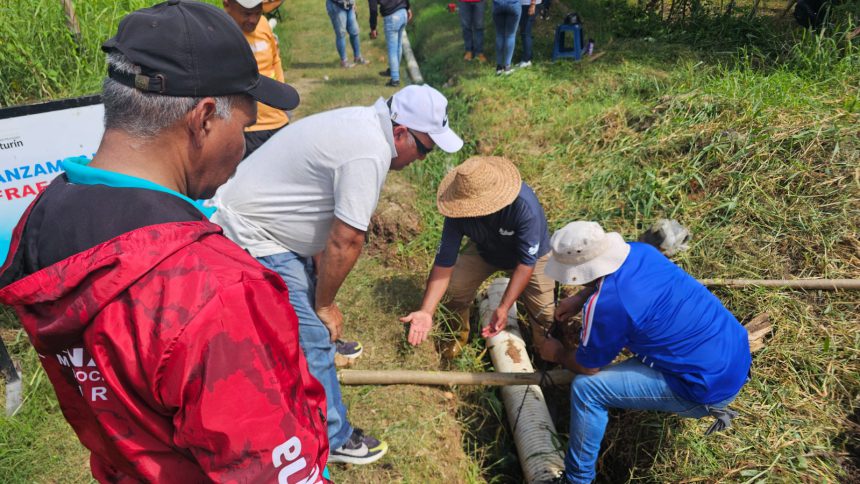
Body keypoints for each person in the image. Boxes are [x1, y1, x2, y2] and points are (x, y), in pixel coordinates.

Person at [0, 2, 329, 482]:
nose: (243, 147)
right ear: (204, 118)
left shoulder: (41, 220)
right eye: (246, 125)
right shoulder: (216, 290)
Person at [208, 84, 463, 464]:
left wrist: (319, 292)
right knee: (309, 333)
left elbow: (320, 211)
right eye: (425, 149)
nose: (423, 159)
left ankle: (320, 350)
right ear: (400, 133)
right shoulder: (367, 152)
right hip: (254, 233)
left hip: (270, 223)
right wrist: (324, 306)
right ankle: (334, 435)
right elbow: (346, 240)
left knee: (310, 315)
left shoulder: (363, 126)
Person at [536, 221, 752, 483]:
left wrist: (557, 353)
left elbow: (588, 366)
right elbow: (610, 280)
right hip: (735, 353)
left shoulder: (608, 307)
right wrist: (579, 298)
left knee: (586, 389)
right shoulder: (641, 252)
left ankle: (576, 479)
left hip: (706, 389)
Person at [401, 156, 555, 359]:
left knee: (545, 313)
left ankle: (545, 352)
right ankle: (455, 340)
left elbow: (526, 264)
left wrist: (503, 307)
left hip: (531, 257)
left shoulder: (524, 207)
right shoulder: (458, 210)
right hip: (485, 249)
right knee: (454, 290)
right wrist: (426, 311)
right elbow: (444, 263)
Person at [223, 0, 290, 158]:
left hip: (278, 123)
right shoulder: (217, 34)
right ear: (227, 4)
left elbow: (275, 60)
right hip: (245, 132)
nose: (253, 19)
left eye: (258, 12)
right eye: (246, 13)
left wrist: (283, 102)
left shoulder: (264, 24)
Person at [369, 0, 412, 87]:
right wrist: (408, 8)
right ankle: (393, 70)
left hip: (392, 17)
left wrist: (373, 28)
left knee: (392, 49)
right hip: (403, 13)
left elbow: (373, 10)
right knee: (398, 45)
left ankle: (395, 79)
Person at [326, 0, 370, 68]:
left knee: (354, 31)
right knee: (341, 34)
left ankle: (357, 57)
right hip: (336, 6)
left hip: (349, 6)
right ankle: (344, 62)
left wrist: (353, 3)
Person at [492, 0, 521, 75]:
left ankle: (499, 67)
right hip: (513, 4)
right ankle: (507, 67)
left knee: (499, 35)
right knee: (510, 35)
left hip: (498, 4)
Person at [516, 0, 539, 68]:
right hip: (524, 4)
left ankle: (526, 60)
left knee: (525, 32)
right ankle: (528, 56)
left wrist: (532, 4)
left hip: (528, 4)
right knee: (525, 31)